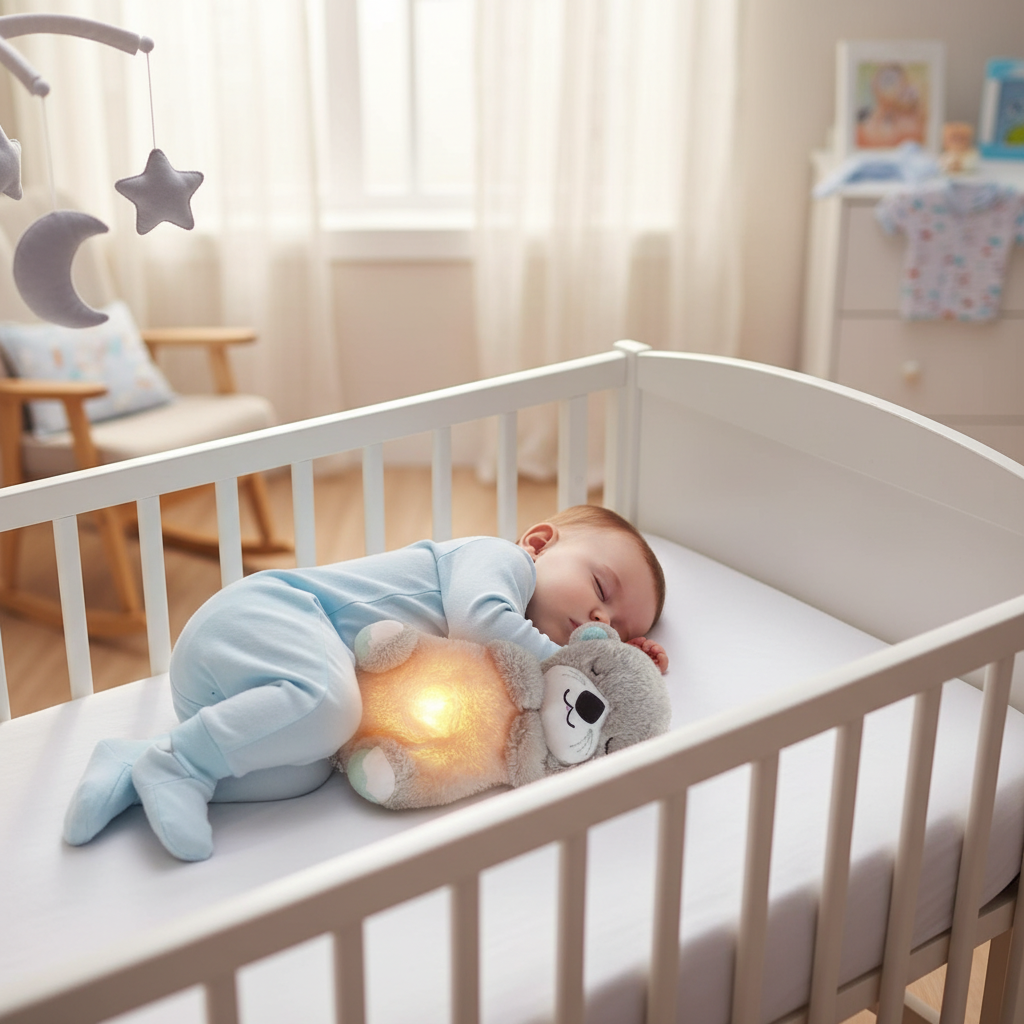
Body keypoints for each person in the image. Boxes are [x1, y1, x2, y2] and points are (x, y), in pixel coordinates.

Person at [64, 505, 668, 862]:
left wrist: (607, 654)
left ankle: (137, 764)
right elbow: (481, 621)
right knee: (330, 707)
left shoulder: (511, 670)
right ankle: (183, 763)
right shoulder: (498, 562)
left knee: (303, 769)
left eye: (616, 626)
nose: (600, 623)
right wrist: (597, 677)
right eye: (602, 591)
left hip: (246, 693)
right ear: (540, 543)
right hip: (264, 618)